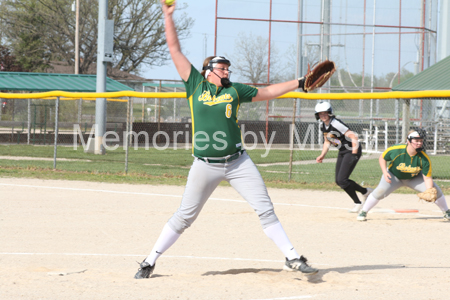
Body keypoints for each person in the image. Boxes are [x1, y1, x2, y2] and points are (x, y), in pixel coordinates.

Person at [134, 0, 321, 279]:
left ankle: (293, 257)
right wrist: (167, 16)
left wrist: (299, 83)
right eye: (222, 68)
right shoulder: (195, 84)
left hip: (237, 162)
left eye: (228, 69)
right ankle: (149, 261)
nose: (227, 72)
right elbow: (175, 49)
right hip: (204, 165)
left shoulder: (235, 90)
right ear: (208, 70)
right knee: (185, 217)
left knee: (265, 208)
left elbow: (268, 92)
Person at [357, 130, 450, 221]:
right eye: (416, 141)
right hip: (394, 176)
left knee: (435, 191)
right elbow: (382, 157)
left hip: (414, 178)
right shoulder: (396, 150)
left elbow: (427, 177)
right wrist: (385, 172)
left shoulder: (424, 158)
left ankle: (446, 212)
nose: (419, 143)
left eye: (421, 141)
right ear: (408, 141)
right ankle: (364, 211)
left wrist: (429, 190)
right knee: (379, 192)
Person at [315, 102, 373, 212]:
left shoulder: (335, 123)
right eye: (320, 113)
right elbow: (327, 141)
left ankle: (358, 203)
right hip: (343, 151)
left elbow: (353, 136)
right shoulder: (323, 126)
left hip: (351, 150)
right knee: (339, 181)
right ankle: (365, 192)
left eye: (325, 113)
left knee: (342, 180)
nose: (323, 115)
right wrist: (322, 155)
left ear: (329, 113)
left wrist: (354, 152)